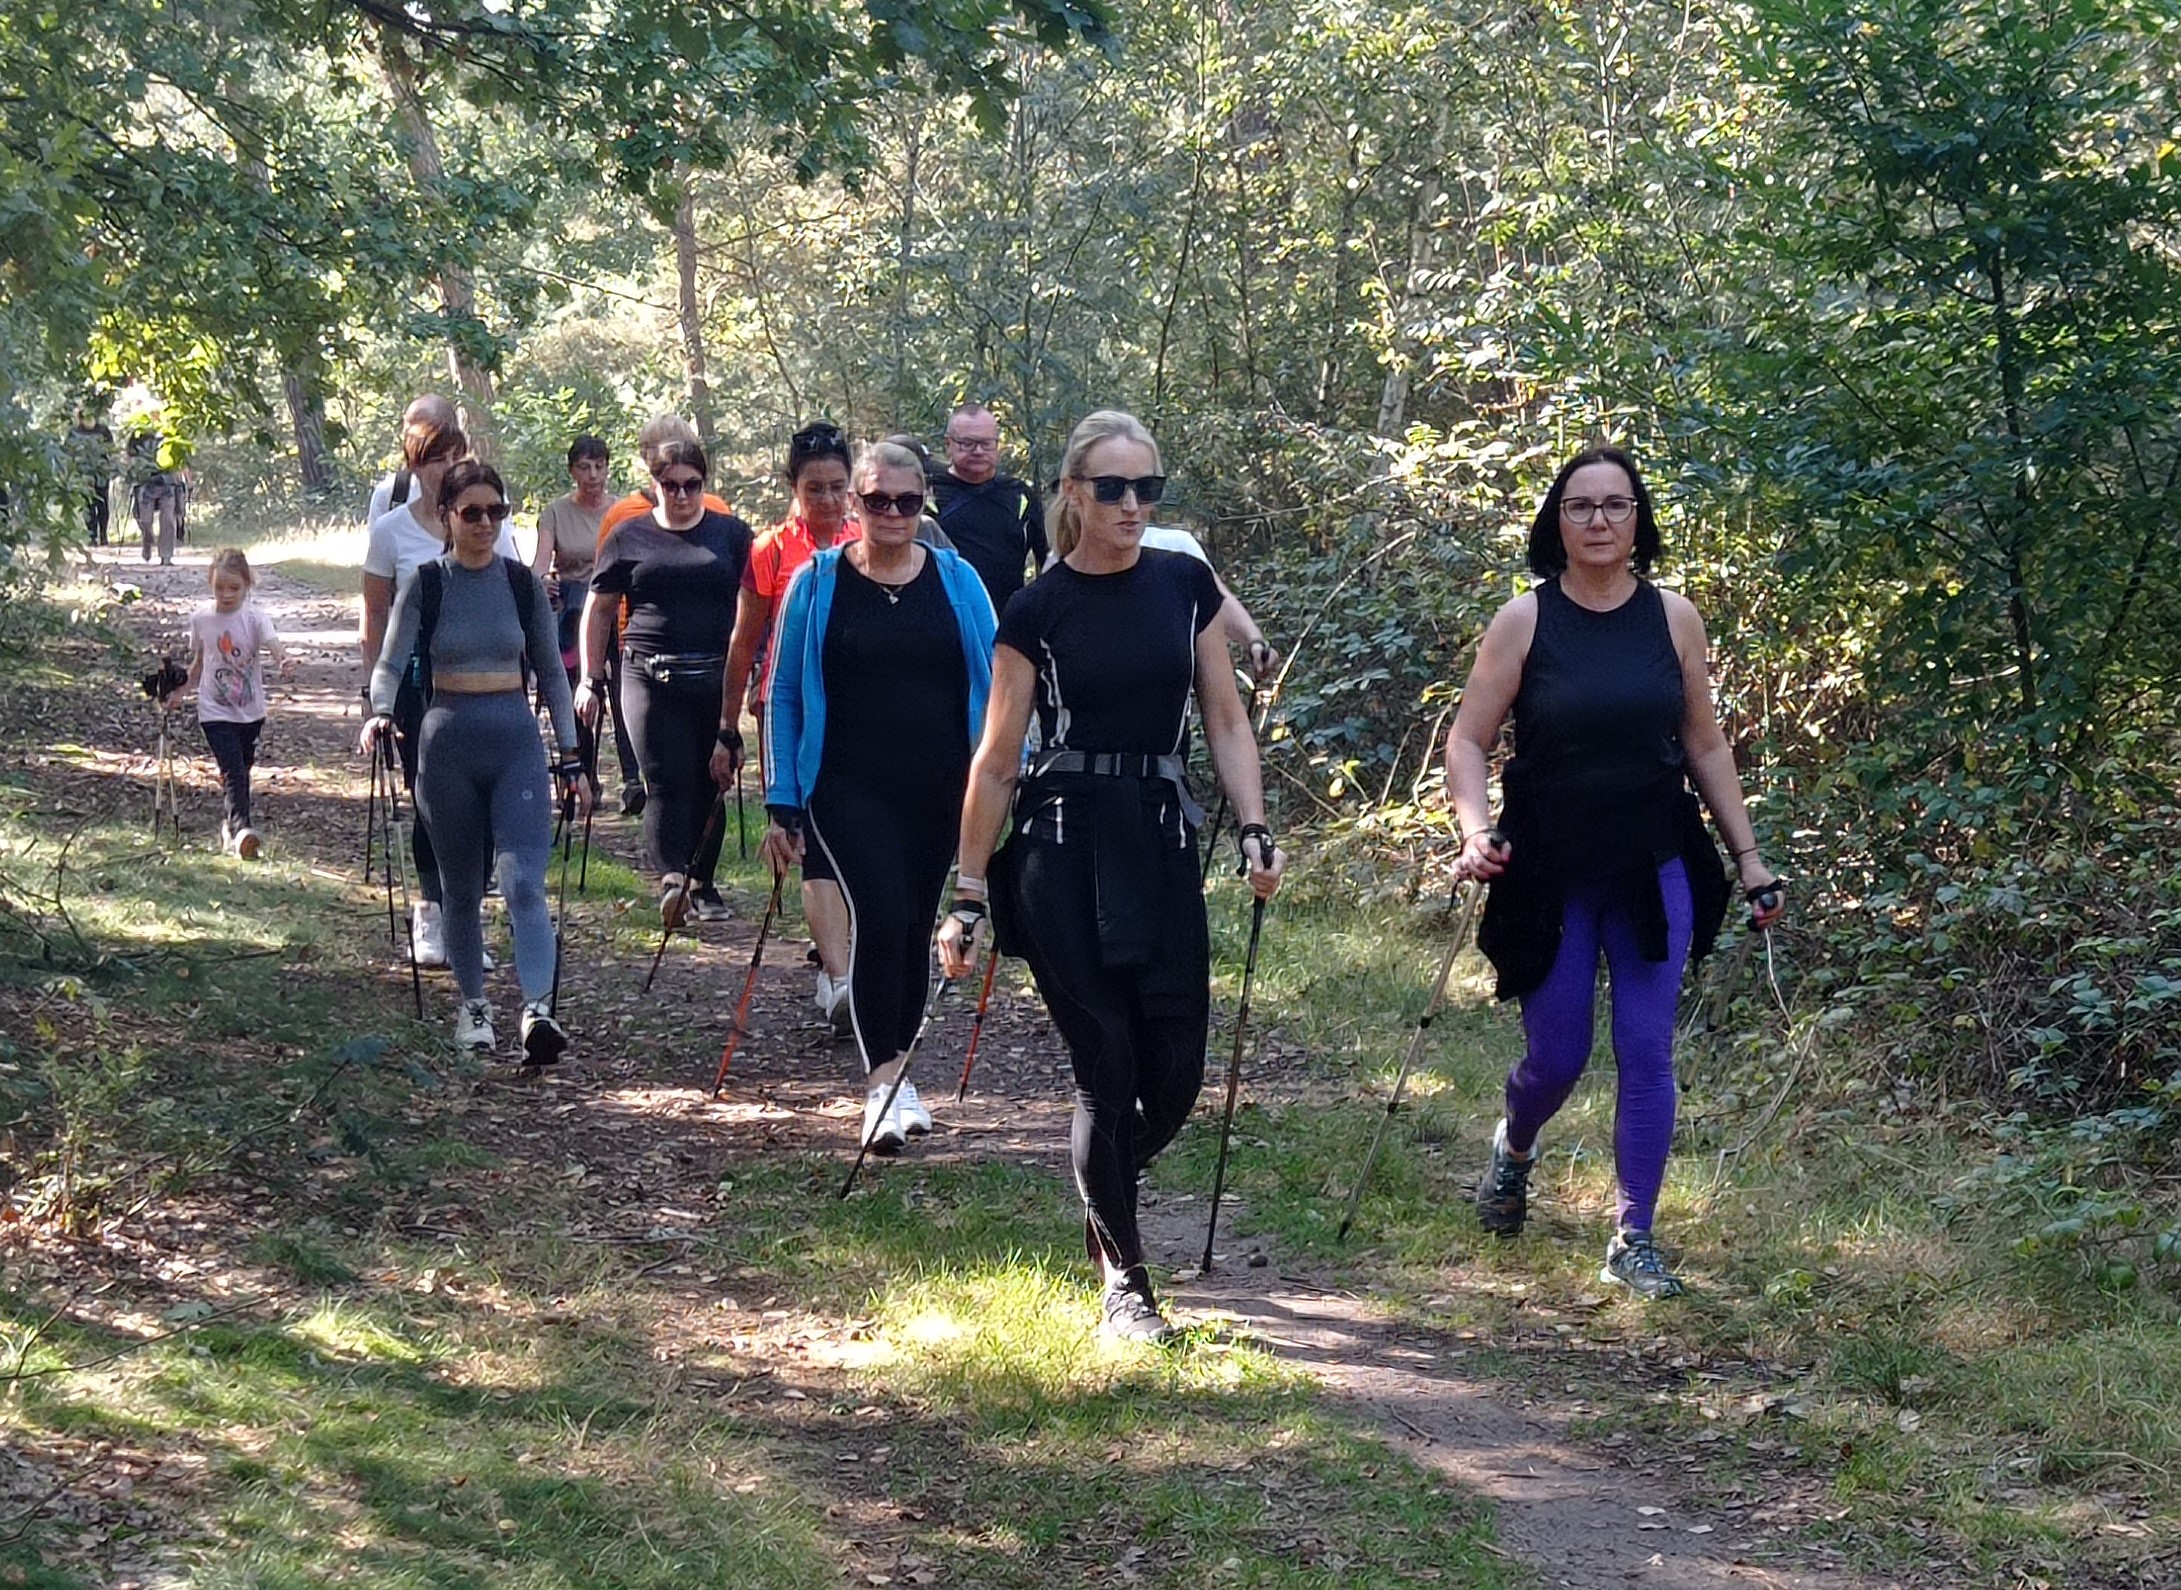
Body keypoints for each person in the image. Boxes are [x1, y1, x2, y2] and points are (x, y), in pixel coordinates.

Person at [938, 410, 1286, 1344]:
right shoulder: (1035, 610)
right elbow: (997, 758)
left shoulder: (1184, 587)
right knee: (1107, 1065)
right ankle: (1126, 1291)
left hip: (1160, 839)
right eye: (1113, 489)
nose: (1133, 506)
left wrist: (1253, 826)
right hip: (1060, 845)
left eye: (1147, 489)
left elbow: (1223, 718)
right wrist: (969, 893)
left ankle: (1102, 1191)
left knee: (1174, 1073)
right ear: (1072, 495)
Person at [1444, 444, 1784, 1300]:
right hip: (1548, 864)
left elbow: (1703, 741)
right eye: (1580, 506)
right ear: (1555, 522)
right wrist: (1475, 828)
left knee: (1644, 1049)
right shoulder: (1524, 620)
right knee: (1555, 1057)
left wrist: (1748, 860)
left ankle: (1633, 1235)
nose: (1598, 520)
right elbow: (1467, 737)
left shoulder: (1675, 619)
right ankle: (1513, 1147)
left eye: (1616, 506)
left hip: (1651, 857)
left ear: (1639, 522)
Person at [761, 441, 998, 1151]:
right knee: (882, 913)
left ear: (923, 500)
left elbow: (999, 686)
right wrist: (781, 796)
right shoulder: (817, 581)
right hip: (843, 785)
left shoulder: (958, 582)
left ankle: (902, 1081)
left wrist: (1003, 775)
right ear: (853, 505)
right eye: (875, 500)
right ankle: (881, 1083)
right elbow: (780, 689)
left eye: (905, 500)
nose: (890, 513)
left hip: (939, 790)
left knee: (912, 924)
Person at [363, 460, 590, 1062]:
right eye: (472, 512)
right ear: (448, 517)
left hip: (515, 742)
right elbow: (390, 660)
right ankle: (475, 1008)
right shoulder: (427, 584)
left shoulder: (521, 585)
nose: (485, 523)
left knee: (524, 885)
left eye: (496, 511)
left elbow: (552, 673)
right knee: (460, 891)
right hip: (445, 746)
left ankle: (538, 1011)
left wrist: (572, 757)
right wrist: (379, 710)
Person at [713, 422, 862, 1030]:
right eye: (814, 488)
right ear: (793, 488)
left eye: (836, 487)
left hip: (857, 705)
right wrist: (727, 725)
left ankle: (844, 959)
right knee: (808, 834)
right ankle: (838, 973)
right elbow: (745, 641)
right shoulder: (770, 548)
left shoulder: (869, 536)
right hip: (788, 704)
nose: (827, 501)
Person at [360, 415, 519, 967]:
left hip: (490, 690)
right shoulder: (392, 532)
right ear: (415, 466)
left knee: (487, 809)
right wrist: (375, 697)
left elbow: (516, 604)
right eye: (435, 459)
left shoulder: (494, 525)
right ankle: (432, 913)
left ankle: (465, 919)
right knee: (434, 805)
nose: (447, 468)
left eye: (455, 456)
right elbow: (376, 617)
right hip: (415, 690)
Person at [579, 438, 753, 926]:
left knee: (711, 779)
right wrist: (592, 677)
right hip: (646, 673)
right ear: (653, 485)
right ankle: (673, 879)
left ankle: (704, 882)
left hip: (715, 673)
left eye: (691, 485)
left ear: (704, 484)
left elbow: (754, 604)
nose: (680, 495)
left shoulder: (733, 534)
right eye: (669, 485)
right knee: (665, 779)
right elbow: (599, 609)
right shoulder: (628, 535)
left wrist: (757, 666)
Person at [162, 548, 294, 857]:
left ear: (247, 585)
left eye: (234, 587)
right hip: (214, 710)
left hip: (251, 711)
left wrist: (283, 660)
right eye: (219, 587)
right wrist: (180, 693)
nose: (226, 594)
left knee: (241, 771)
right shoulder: (202, 619)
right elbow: (199, 665)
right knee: (233, 769)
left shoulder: (255, 618)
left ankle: (230, 826)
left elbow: (274, 646)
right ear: (210, 585)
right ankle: (242, 830)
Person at [932, 403, 1046, 614]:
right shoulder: (927, 494)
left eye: (986, 443)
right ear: (948, 444)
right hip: (945, 620)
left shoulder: (1020, 495)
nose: (978, 451)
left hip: (1008, 622)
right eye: (967, 443)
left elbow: (1048, 559)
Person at [532, 436, 610, 676]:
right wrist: (542, 581)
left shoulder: (621, 511)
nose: (593, 475)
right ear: (572, 471)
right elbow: (539, 566)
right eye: (584, 467)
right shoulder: (555, 512)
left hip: (613, 602)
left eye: (599, 466)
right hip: (571, 604)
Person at [364, 394, 459, 529]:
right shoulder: (391, 494)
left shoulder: (486, 498)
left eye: (421, 433)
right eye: (407, 432)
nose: (412, 441)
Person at [67, 407, 114, 548]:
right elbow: (69, 452)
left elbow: (111, 449)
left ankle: (103, 534)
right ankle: (91, 535)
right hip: (83, 473)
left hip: (101, 473)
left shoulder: (104, 430)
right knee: (88, 505)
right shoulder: (74, 432)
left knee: (102, 503)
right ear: (80, 418)